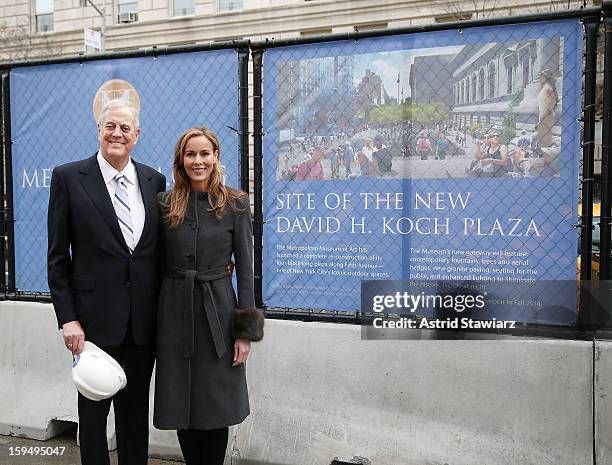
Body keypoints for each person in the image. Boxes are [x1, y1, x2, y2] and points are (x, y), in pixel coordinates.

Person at [47, 98, 167, 465]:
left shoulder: (154, 180)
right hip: (92, 326)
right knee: (94, 422)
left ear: (137, 135)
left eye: (125, 128)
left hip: (141, 327)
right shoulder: (69, 177)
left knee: (134, 421)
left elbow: (157, 253)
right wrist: (68, 319)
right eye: (110, 126)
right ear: (98, 130)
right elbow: (57, 258)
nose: (117, 133)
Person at [154, 127, 264, 465]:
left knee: (214, 404)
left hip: (218, 313)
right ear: (181, 160)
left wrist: (245, 333)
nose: (198, 160)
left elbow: (246, 271)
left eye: (205, 153)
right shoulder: (165, 203)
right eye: (191, 154)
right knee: (181, 403)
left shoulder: (235, 203)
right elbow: (154, 262)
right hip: (174, 313)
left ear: (215, 156)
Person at [537, 68, 558, 148]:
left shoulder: (547, 88)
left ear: (545, 77)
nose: (539, 79)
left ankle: (547, 157)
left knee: (545, 139)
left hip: (546, 116)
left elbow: (552, 100)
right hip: (544, 116)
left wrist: (545, 114)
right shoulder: (545, 87)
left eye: (541, 77)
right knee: (543, 139)